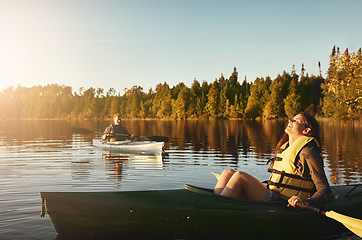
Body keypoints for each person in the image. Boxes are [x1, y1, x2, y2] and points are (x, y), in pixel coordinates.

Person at [214, 112, 332, 207]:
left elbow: (324, 189)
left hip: (283, 202)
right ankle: (213, 206)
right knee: (227, 173)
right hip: (274, 194)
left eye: (297, 121)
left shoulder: (307, 152)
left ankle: (216, 210)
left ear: (306, 130)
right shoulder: (286, 147)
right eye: (292, 118)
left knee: (239, 176)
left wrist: (307, 202)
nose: (290, 121)